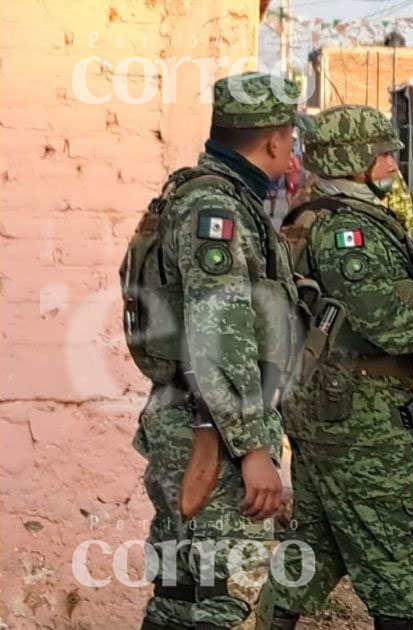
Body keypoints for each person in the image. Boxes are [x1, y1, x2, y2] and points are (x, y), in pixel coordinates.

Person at [262, 105, 413, 630]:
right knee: (392, 553)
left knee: (316, 542)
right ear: (355, 159)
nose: (393, 164)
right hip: (356, 413)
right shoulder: (347, 228)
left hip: (323, 404)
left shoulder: (310, 216)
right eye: (384, 153)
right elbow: (380, 316)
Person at [122, 72, 303, 630]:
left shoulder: (206, 195)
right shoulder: (214, 210)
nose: (292, 152)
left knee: (180, 595)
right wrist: (251, 450)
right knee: (218, 600)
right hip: (211, 433)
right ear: (273, 141)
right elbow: (218, 332)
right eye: (290, 140)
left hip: (190, 419)